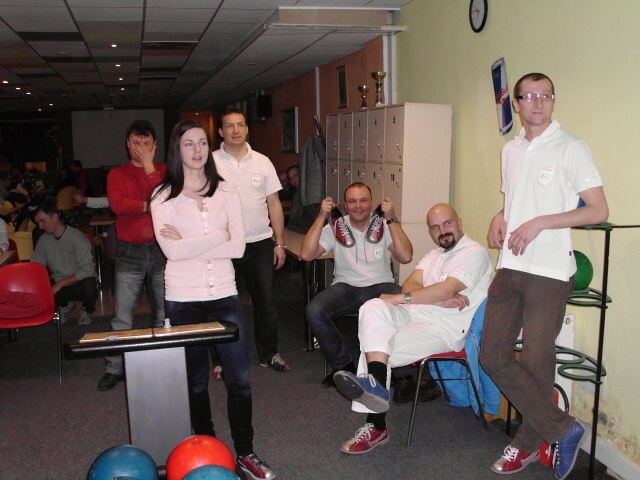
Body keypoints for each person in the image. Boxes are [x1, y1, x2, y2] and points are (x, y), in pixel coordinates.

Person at [480, 73, 609, 480]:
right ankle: (564, 429)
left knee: (537, 363)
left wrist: (540, 223)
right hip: (510, 267)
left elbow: (598, 209)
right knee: (492, 356)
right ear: (517, 103)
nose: (538, 102)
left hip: (549, 272)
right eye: (529, 96)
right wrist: (501, 216)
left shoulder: (571, 147)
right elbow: (517, 198)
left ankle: (526, 445)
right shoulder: (511, 149)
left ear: (553, 101)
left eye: (545, 95)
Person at [150, 119, 276, 480]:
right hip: (183, 299)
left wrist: (196, 243)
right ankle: (206, 448)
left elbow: (238, 248)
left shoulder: (226, 191)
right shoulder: (162, 196)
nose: (197, 150)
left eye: (202, 143)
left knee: (240, 380)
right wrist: (218, 236)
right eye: (188, 144)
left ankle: (246, 452)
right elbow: (171, 252)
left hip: (224, 296)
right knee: (195, 381)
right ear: (177, 150)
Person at [332, 203, 492, 454]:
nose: (442, 231)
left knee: (375, 350)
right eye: (435, 227)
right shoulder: (434, 255)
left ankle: (376, 426)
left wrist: (402, 298)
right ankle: (376, 388)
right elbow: (410, 283)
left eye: (447, 223)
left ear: (459, 222)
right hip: (414, 312)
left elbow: (446, 289)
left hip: (442, 328)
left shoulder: (475, 253)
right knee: (372, 307)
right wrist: (435, 298)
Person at [300, 182, 422, 398]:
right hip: (346, 287)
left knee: (406, 307)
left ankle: (399, 372)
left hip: (381, 285)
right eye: (352, 201)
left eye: (363, 200)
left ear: (371, 203)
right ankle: (344, 367)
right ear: (345, 205)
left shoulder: (383, 226)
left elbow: (406, 256)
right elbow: (306, 254)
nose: (358, 206)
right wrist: (321, 217)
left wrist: (392, 218)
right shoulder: (336, 227)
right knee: (314, 311)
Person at [213, 107, 290, 372]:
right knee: (223, 303)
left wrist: (279, 243)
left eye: (240, 125)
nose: (236, 130)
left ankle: (269, 354)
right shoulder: (211, 163)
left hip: (260, 244)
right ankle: (222, 359)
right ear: (221, 131)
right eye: (230, 125)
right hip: (224, 245)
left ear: (246, 129)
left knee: (266, 303)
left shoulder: (262, 162)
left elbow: (274, 203)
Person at [98, 119, 167, 391]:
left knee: (163, 313)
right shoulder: (117, 174)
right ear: (127, 144)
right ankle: (114, 367)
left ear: (155, 146)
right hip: (129, 252)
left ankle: (163, 364)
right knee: (122, 316)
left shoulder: (164, 170)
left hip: (162, 250)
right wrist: (150, 205)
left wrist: (150, 168)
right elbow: (118, 205)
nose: (140, 148)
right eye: (136, 142)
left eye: (146, 143)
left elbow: (168, 200)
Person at [31, 198, 98, 326]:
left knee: (90, 285)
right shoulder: (43, 240)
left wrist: (60, 284)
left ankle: (86, 309)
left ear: (55, 217)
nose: (40, 226)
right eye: (38, 222)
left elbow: (87, 270)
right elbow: (36, 267)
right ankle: (65, 305)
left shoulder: (76, 237)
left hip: (78, 281)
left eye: (42, 221)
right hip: (59, 282)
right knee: (43, 286)